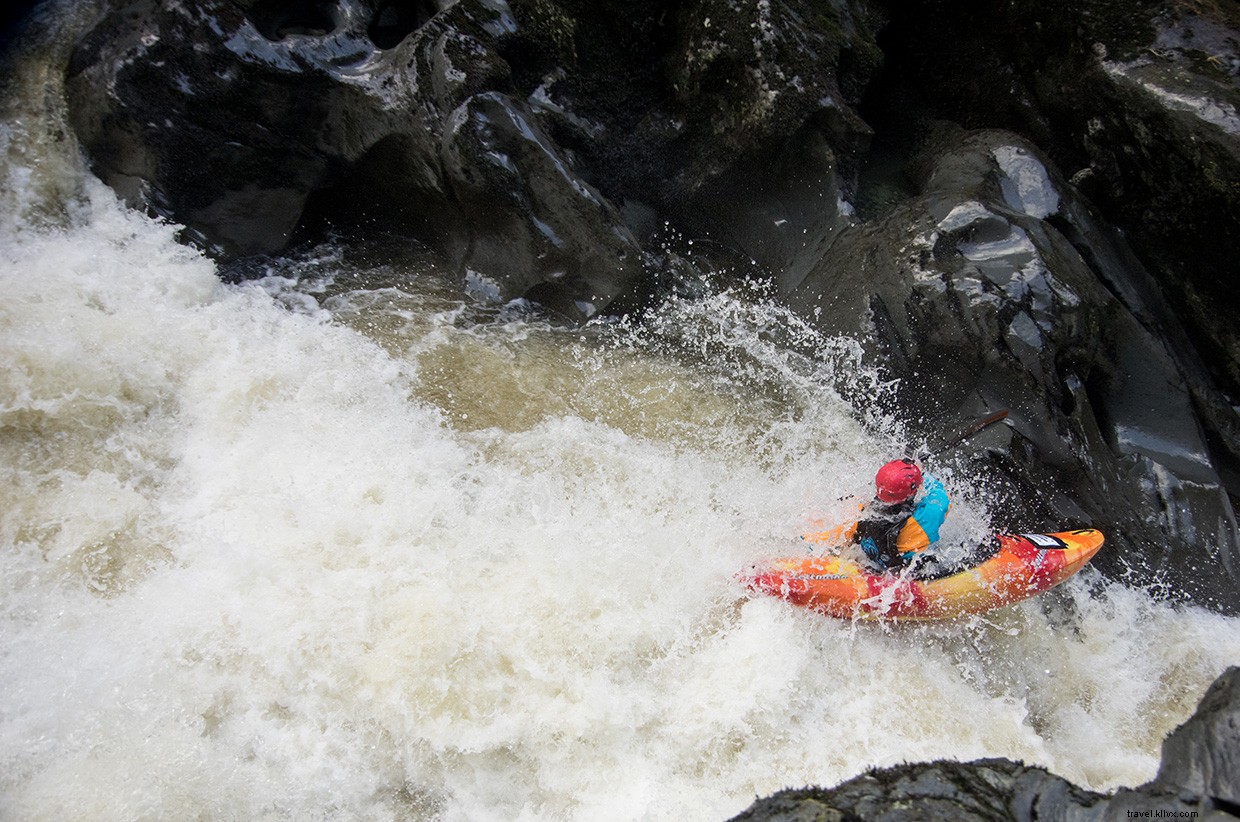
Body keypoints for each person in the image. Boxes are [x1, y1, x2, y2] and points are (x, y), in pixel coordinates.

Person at [848, 458, 950, 573]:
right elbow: (942, 497)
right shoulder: (922, 520)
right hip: (915, 572)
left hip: (874, 565)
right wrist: (922, 475)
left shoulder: (862, 511)